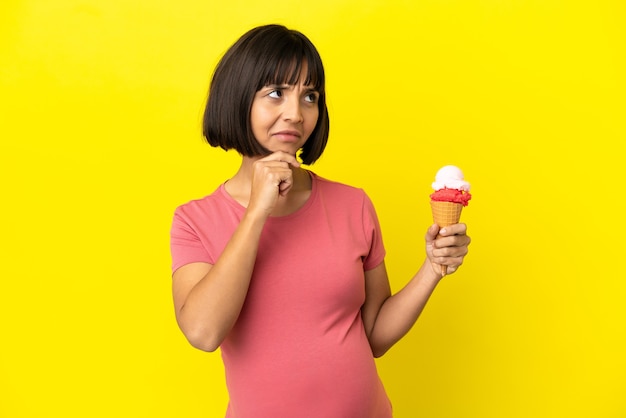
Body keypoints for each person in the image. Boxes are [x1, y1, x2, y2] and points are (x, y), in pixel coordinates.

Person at [170, 24, 470, 418]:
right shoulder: (194, 220)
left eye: (309, 96)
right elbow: (203, 332)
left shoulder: (353, 204)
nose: (295, 114)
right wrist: (257, 211)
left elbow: (375, 335)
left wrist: (433, 268)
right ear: (238, 98)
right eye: (276, 93)